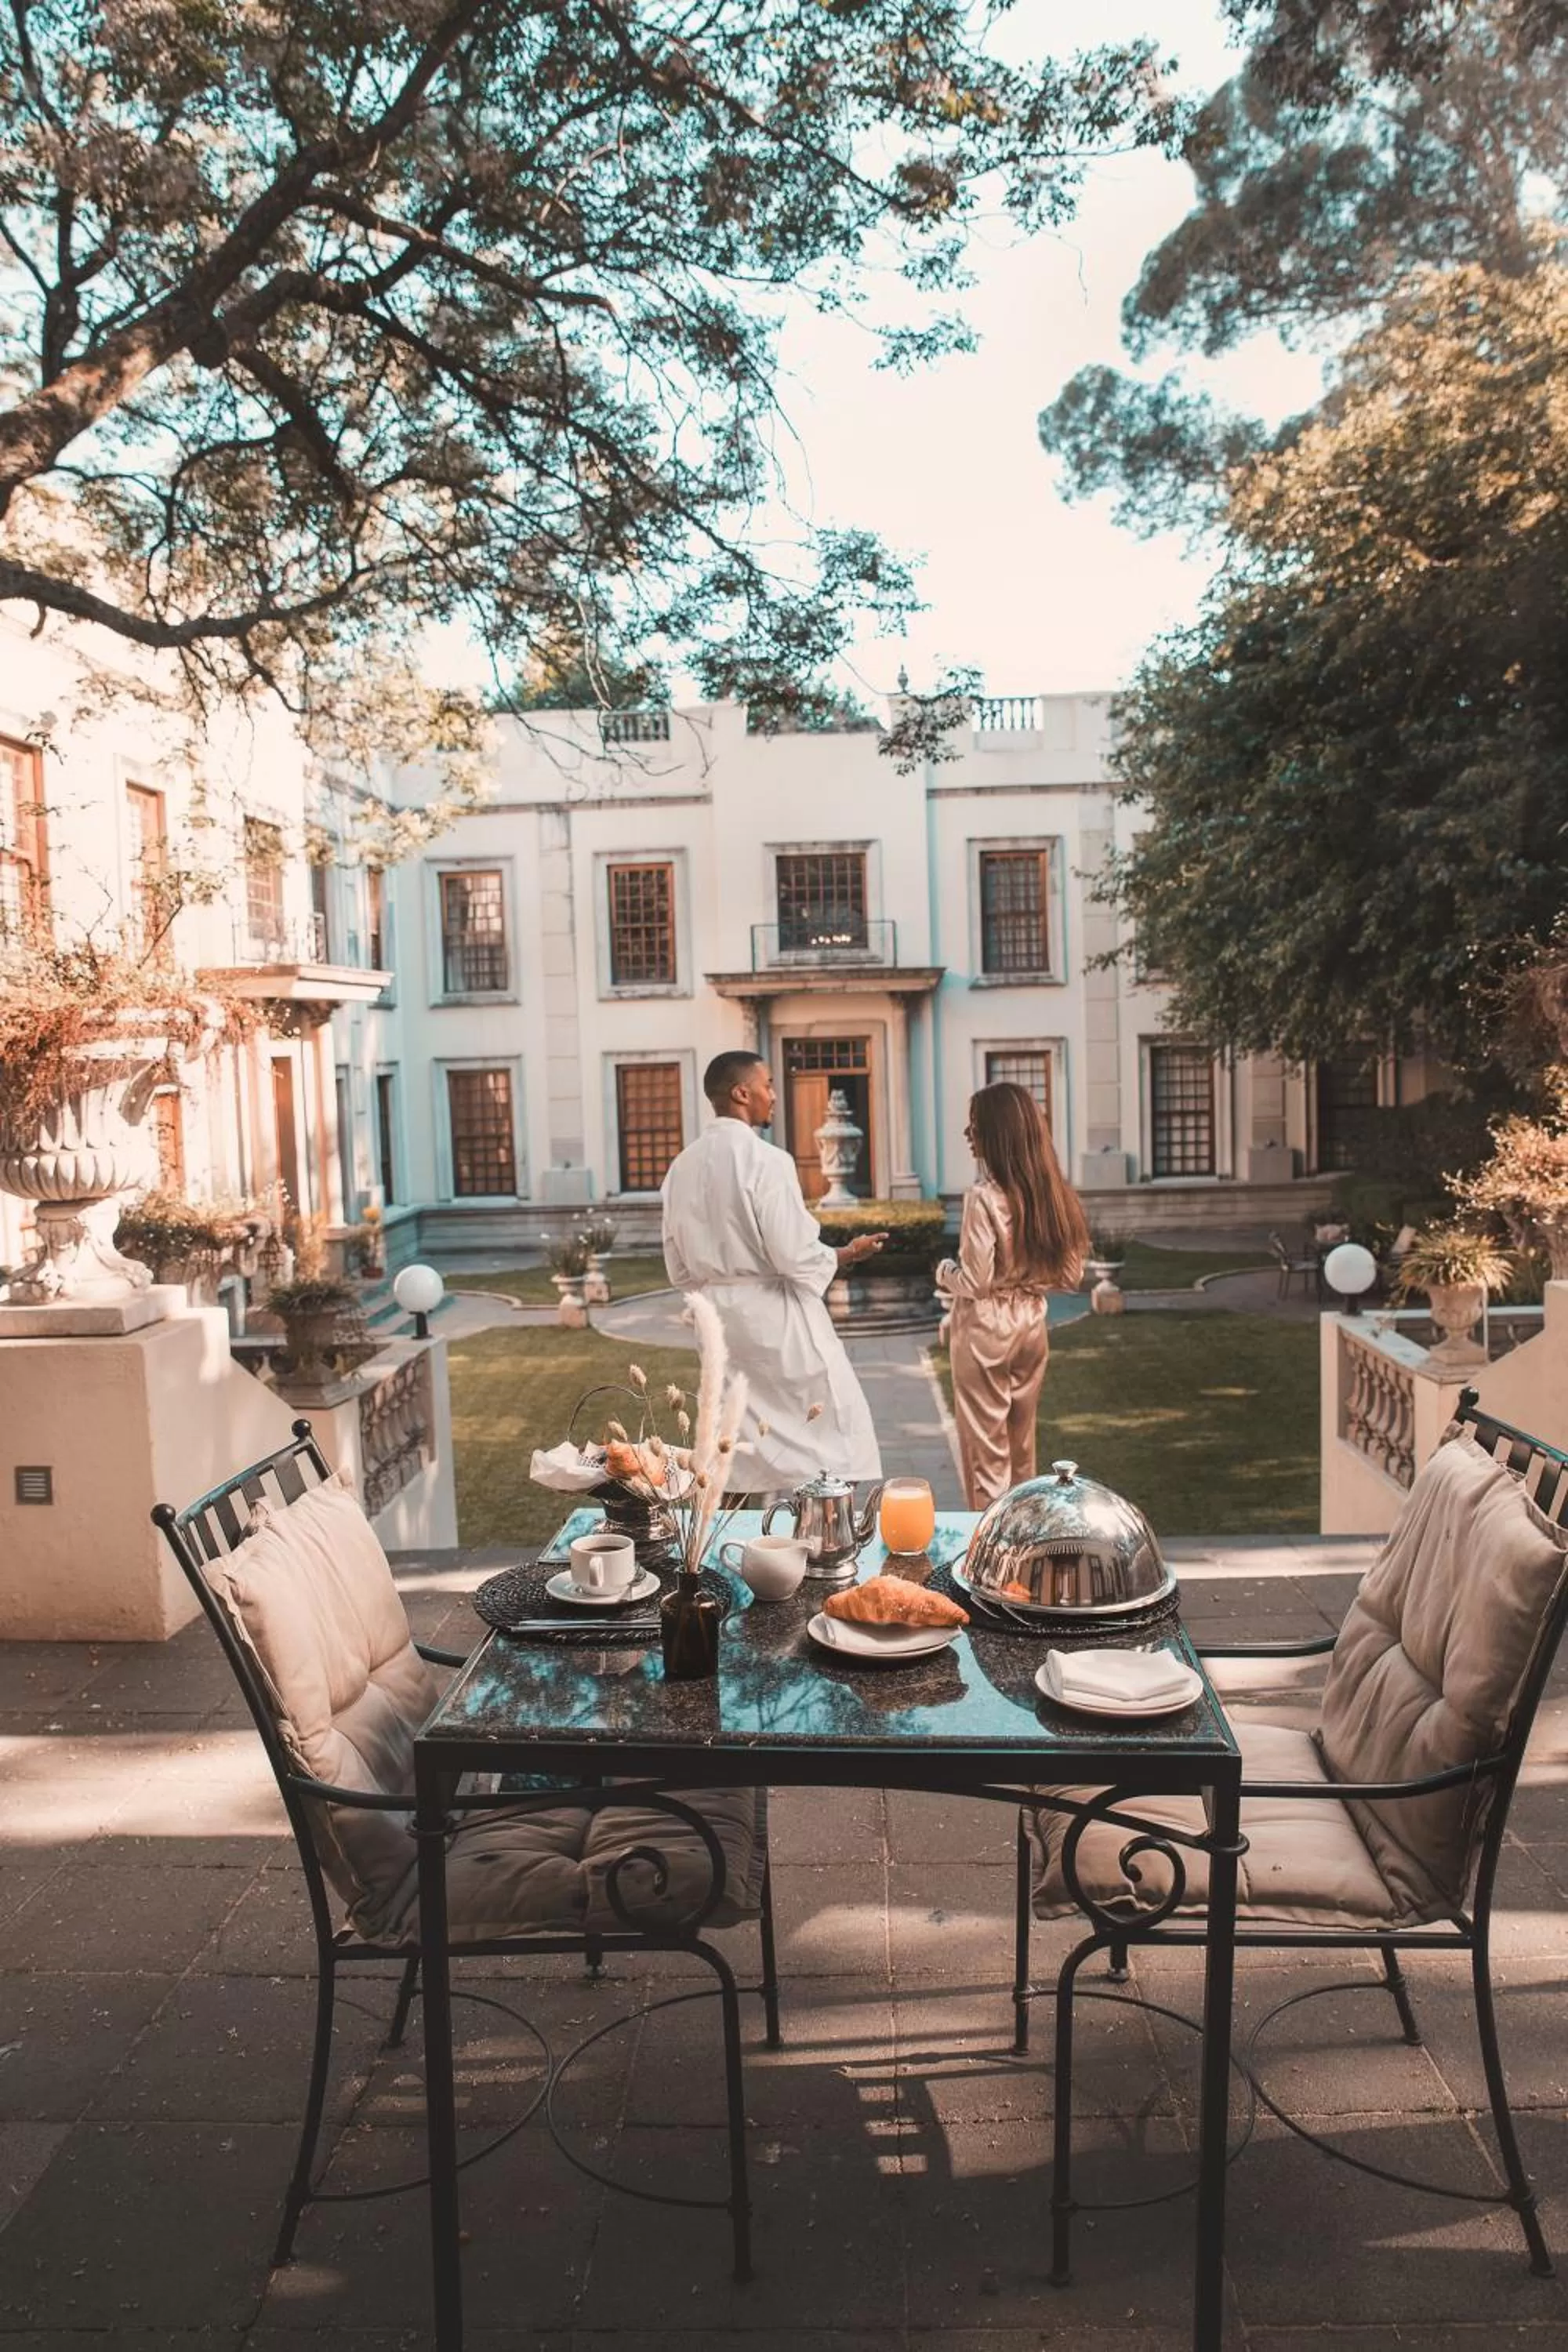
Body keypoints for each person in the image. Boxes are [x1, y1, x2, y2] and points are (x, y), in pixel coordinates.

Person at [661, 1051, 887, 1493]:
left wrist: (719, 1289)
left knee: (734, 1443)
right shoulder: (767, 1160)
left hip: (718, 1321)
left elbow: (678, 1267)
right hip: (777, 1319)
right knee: (832, 1432)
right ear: (741, 1093)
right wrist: (848, 1253)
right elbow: (795, 1255)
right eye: (767, 1085)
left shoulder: (680, 1167)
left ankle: (719, 1548)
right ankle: (823, 1539)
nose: (774, 1096)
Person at [936, 1080, 1090, 1509]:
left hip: (985, 1327)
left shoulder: (983, 1198)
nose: (968, 1135)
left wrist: (944, 1271)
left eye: (974, 1126)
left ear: (996, 1133)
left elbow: (977, 1283)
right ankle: (1024, 1542)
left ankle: (990, 1554)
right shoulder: (1053, 1195)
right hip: (1031, 1323)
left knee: (987, 1450)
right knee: (1022, 1446)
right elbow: (1071, 1275)